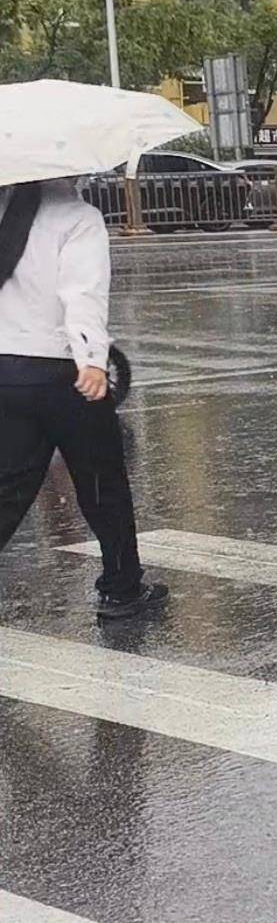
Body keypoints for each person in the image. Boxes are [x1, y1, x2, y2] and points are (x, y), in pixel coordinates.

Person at [0, 178, 166, 619]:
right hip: (63, 371)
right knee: (101, 483)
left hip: (7, 369)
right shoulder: (77, 217)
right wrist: (92, 358)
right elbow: (83, 293)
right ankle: (122, 588)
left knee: (9, 488)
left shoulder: (4, 211)